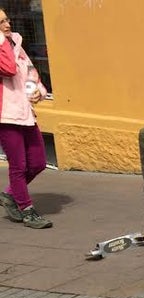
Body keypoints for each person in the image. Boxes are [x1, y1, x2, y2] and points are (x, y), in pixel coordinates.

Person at [0, 9, 51, 229]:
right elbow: (9, 70)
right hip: (5, 115)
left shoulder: (16, 45)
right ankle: (27, 210)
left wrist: (38, 90)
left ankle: (10, 195)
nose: (7, 24)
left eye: (7, 19)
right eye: (0, 22)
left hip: (25, 112)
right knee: (18, 166)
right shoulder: (4, 47)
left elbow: (29, 72)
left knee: (38, 162)